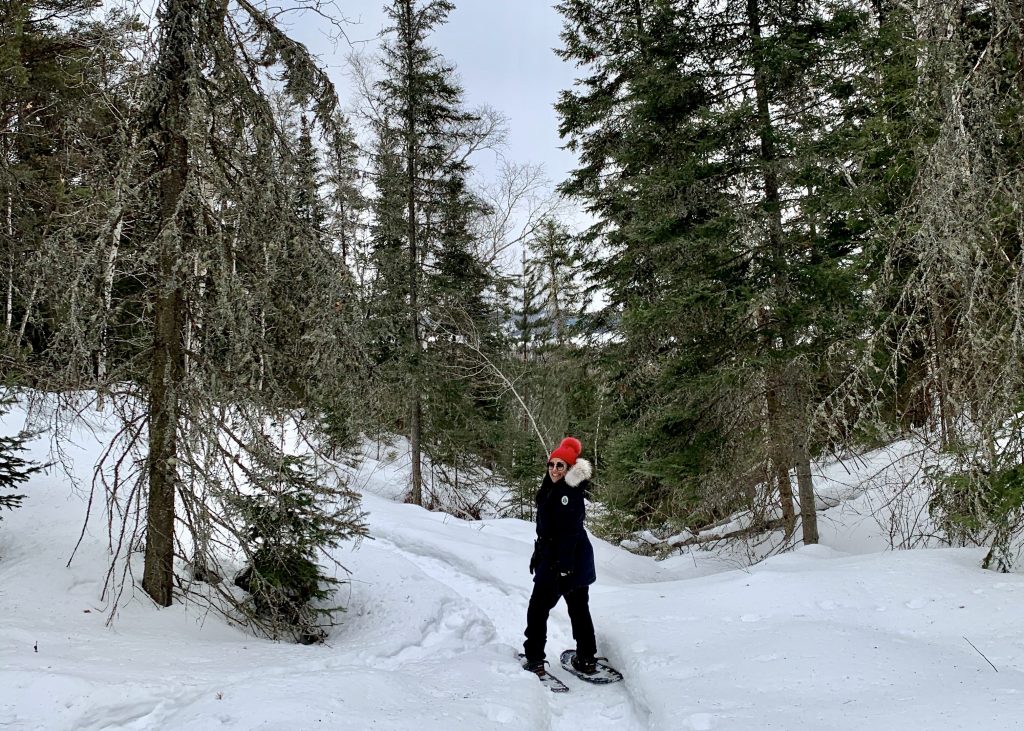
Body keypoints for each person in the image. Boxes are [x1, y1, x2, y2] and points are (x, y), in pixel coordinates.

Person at [522, 436, 599, 676]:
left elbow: (568, 533)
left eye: (560, 465)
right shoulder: (554, 488)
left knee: (538, 609)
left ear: (569, 469)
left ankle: (534, 659)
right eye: (551, 464)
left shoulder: (566, 494)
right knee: (578, 609)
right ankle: (586, 658)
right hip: (568, 560)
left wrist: (563, 566)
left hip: (563, 562)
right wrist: (539, 555)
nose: (554, 469)